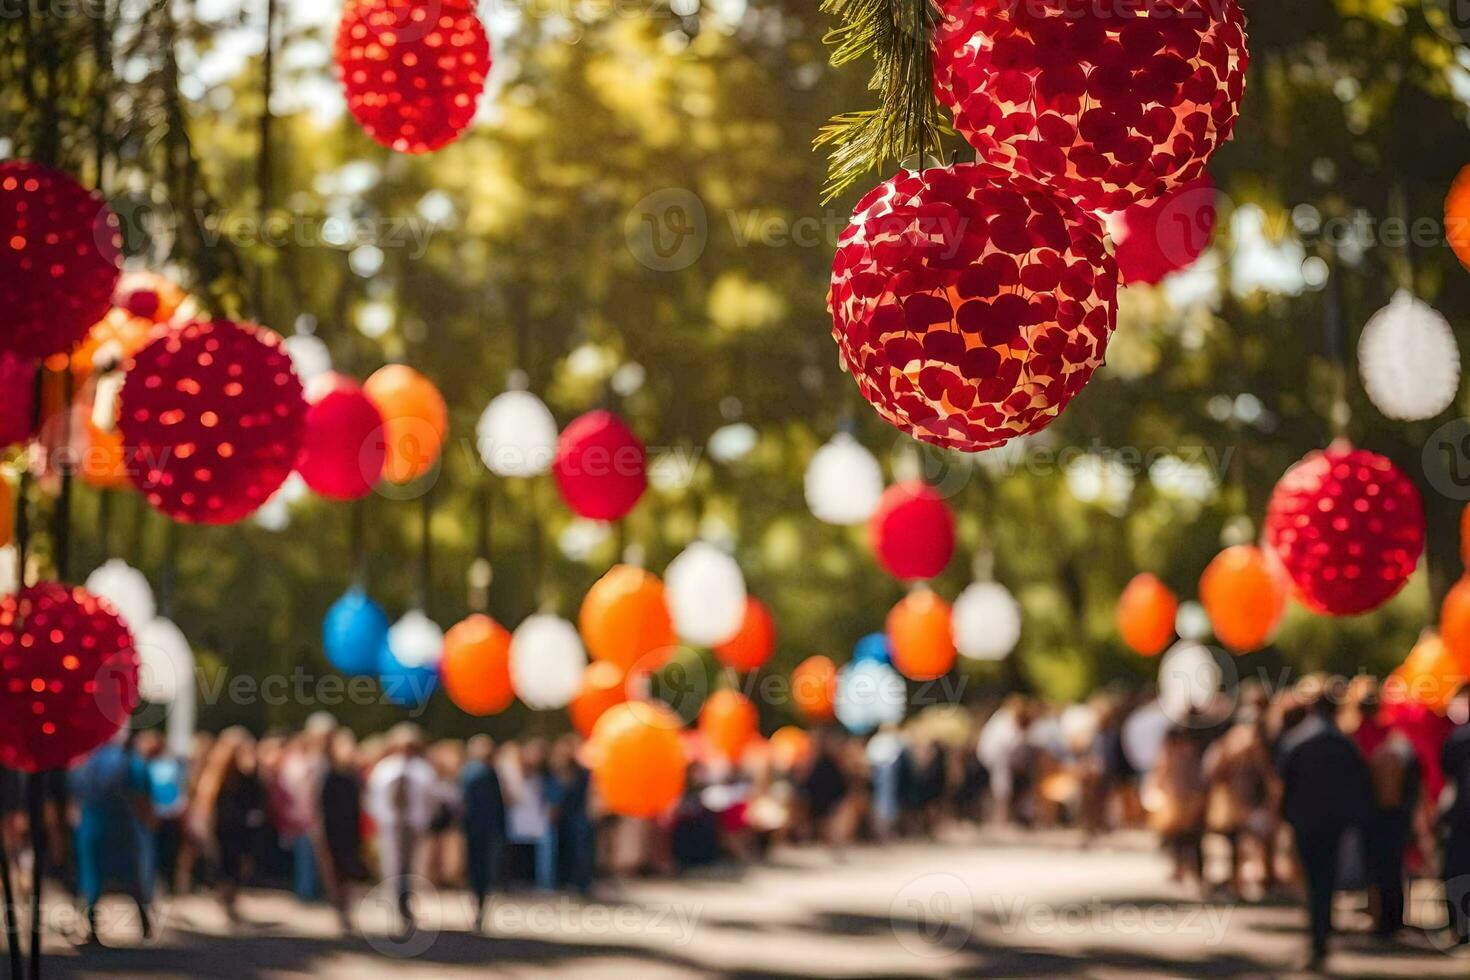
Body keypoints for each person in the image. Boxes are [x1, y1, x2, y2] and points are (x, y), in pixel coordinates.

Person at [1275, 691, 1374, 969]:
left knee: (1312, 877)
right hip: (1334, 820)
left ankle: (1318, 933)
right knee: (1326, 876)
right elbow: (1359, 782)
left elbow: (1283, 781)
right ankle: (1322, 931)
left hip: (1306, 819)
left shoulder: (1298, 740)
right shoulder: (1344, 743)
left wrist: (1284, 815)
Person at [69, 732, 153, 944]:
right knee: (134, 876)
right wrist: (147, 823)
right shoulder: (129, 760)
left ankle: (90, 927)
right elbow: (142, 795)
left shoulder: (85, 760)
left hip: (92, 826)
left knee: (92, 879)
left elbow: (74, 794)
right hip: (123, 827)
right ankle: (145, 926)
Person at [364, 723, 439, 936]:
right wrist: (382, 819)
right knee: (393, 866)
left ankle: (407, 904)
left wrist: (424, 820)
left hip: (413, 825)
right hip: (391, 825)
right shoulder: (385, 768)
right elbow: (373, 798)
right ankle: (395, 906)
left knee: (412, 867)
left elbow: (431, 800)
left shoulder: (423, 770)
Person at [193, 728, 267, 923]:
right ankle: (226, 901)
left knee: (238, 866)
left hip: (242, 828)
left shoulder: (249, 772)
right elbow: (207, 802)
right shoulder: (217, 774)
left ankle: (230, 900)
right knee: (225, 865)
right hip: (224, 828)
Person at [320, 727, 368, 932]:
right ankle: (339, 907)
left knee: (349, 870)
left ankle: (346, 909)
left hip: (350, 829)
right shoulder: (329, 775)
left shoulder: (352, 777)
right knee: (336, 871)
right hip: (333, 829)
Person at [460, 735, 507, 930]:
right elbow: (498, 805)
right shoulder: (487, 772)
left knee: (476, 870)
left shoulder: (468, 772)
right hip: (487, 829)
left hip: (473, 828)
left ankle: (478, 907)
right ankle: (480, 908)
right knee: (484, 871)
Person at [1441, 683, 1470, 947]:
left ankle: (1460, 926)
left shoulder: (1458, 736)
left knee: (1458, 868)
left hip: (1461, 814)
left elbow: (1447, 769)